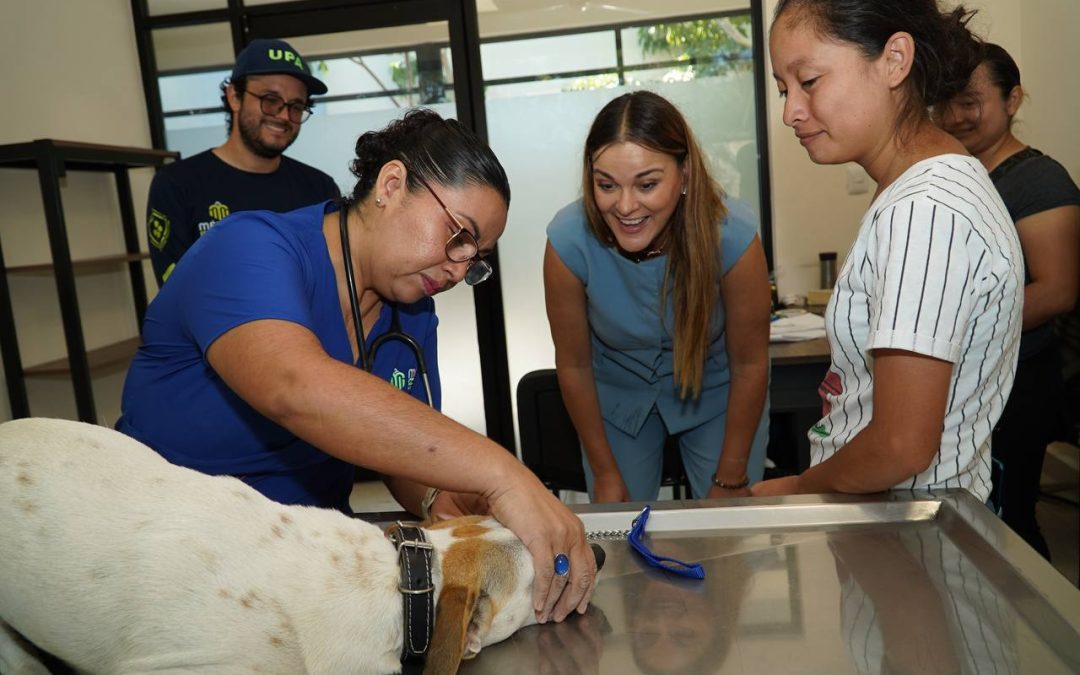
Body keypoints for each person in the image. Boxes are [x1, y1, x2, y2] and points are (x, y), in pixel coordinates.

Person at [118, 109, 595, 624]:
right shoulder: (250, 247)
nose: (460, 268)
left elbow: (397, 449)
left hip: (303, 558)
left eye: (474, 257)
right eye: (459, 235)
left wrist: (436, 492)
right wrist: (507, 474)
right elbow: (295, 387)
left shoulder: (410, 314)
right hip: (165, 555)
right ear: (391, 184)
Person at [753, 0, 1024, 503]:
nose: (790, 110)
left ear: (895, 60)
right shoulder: (920, 186)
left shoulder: (925, 210)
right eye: (783, 88)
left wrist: (796, 487)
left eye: (808, 81)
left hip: (909, 523)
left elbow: (900, 445)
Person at [544, 91, 772, 503]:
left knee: (735, 534)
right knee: (621, 537)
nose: (626, 206)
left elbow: (751, 363)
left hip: (718, 394)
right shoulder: (568, 241)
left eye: (647, 184)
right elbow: (575, 365)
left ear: (684, 174)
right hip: (616, 401)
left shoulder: (733, 234)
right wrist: (605, 471)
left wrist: (731, 477)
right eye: (606, 185)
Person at [934, 43, 1080, 558]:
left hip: (1018, 384)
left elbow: (1058, 289)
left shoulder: (1038, 180)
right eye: (944, 102)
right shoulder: (961, 177)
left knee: (1009, 525)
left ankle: (1036, 634)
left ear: (1012, 98)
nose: (954, 116)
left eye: (970, 101)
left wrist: (948, 329)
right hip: (969, 379)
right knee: (972, 525)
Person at [146, 38, 340, 286]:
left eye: (296, 106)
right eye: (270, 100)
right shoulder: (177, 184)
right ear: (234, 96)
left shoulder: (320, 189)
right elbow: (177, 291)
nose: (283, 115)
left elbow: (334, 280)